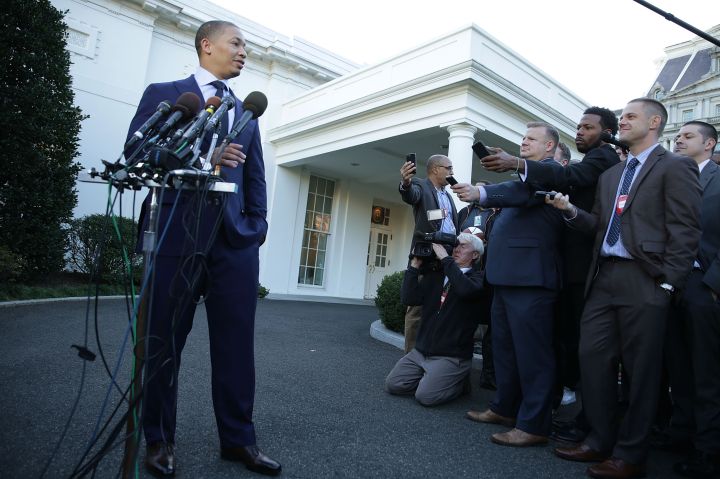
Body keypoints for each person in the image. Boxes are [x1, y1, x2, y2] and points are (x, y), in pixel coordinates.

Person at [125, 21, 280, 477]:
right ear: (206, 46)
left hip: (235, 244)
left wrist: (258, 226)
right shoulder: (167, 93)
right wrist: (200, 160)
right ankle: (157, 440)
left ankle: (239, 440)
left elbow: (254, 176)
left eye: (246, 46)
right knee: (162, 343)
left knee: (236, 347)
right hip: (175, 232)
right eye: (237, 43)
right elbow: (138, 153)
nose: (243, 52)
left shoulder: (245, 111)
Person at [549, 98, 702, 479]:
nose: (624, 121)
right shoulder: (610, 175)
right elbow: (599, 225)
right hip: (604, 278)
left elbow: (686, 230)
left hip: (646, 279)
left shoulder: (676, 166)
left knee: (642, 371)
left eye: (631, 116)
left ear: (654, 122)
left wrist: (669, 283)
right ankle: (599, 441)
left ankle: (630, 455)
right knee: (593, 360)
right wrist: (570, 210)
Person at [480, 106, 622, 440]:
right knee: (514, 348)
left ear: (607, 133)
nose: (580, 132)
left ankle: (536, 423)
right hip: (533, 271)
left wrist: (509, 172)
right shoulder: (557, 169)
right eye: (578, 127)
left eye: (587, 127)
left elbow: (567, 179)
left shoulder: (596, 161)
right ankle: (506, 407)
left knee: (545, 351)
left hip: (565, 270)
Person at [453, 122, 565, 447]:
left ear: (549, 148)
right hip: (505, 278)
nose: (524, 142)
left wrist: (481, 193)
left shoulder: (550, 173)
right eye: (523, 137)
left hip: (532, 280)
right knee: (504, 350)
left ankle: (534, 424)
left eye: (532, 138)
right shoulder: (525, 179)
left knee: (533, 356)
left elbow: (519, 192)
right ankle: (505, 408)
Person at [661, 121, 720, 478]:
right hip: (670, 283)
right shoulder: (671, 179)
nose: (679, 140)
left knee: (706, 371)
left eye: (687, 136)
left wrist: (714, 285)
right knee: (677, 365)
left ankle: (708, 450)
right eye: (677, 136)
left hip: (704, 285)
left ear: (709, 144)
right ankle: (680, 432)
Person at [385, 232, 485, 406]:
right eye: (455, 245)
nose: (456, 249)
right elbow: (409, 299)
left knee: (426, 397)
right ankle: (435, 378)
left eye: (463, 246)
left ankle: (459, 384)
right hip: (421, 351)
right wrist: (414, 267)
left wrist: (446, 260)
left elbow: (464, 290)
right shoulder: (436, 274)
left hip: (451, 355)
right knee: (393, 384)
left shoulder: (478, 279)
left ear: (475, 255)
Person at [399, 155, 459, 352]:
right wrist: (405, 183)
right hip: (425, 259)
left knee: (438, 312)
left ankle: (429, 360)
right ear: (435, 169)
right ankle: (410, 364)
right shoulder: (420, 185)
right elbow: (411, 195)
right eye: (449, 168)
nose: (452, 172)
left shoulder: (448, 196)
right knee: (416, 312)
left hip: (447, 259)